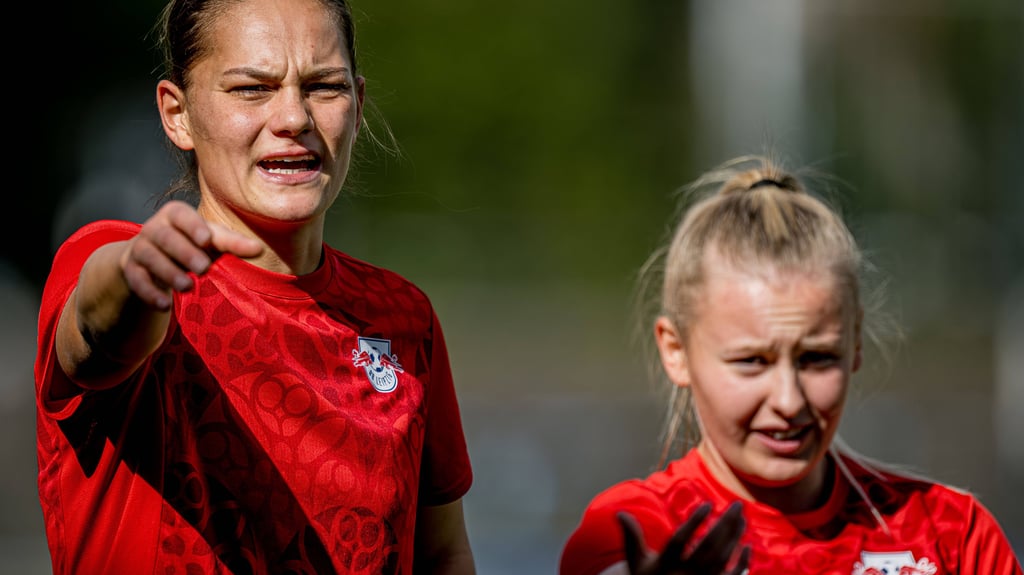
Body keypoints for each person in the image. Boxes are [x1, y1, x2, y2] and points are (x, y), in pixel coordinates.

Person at [33, 0, 476, 573]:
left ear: (359, 106)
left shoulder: (401, 316)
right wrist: (136, 282)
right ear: (178, 114)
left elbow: (441, 553)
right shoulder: (122, 263)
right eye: (251, 89)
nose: (294, 116)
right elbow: (99, 331)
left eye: (323, 86)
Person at [558, 155, 1023, 575]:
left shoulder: (952, 534)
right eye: (751, 362)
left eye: (816, 358)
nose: (788, 400)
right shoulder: (632, 532)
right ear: (676, 351)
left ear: (855, 342)